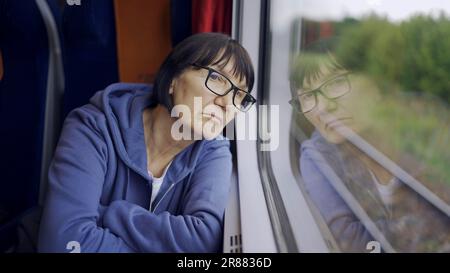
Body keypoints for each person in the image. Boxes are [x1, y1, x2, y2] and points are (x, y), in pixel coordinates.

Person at [38, 32, 256, 253]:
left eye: (240, 95)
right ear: (173, 79)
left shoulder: (215, 151)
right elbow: (63, 243)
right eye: (217, 78)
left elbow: (202, 240)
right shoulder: (92, 127)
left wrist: (109, 214)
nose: (227, 103)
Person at [289, 51, 450, 252]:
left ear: (375, 81)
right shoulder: (319, 155)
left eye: (334, 83)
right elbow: (354, 244)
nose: (321, 107)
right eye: (307, 96)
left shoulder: (424, 122)